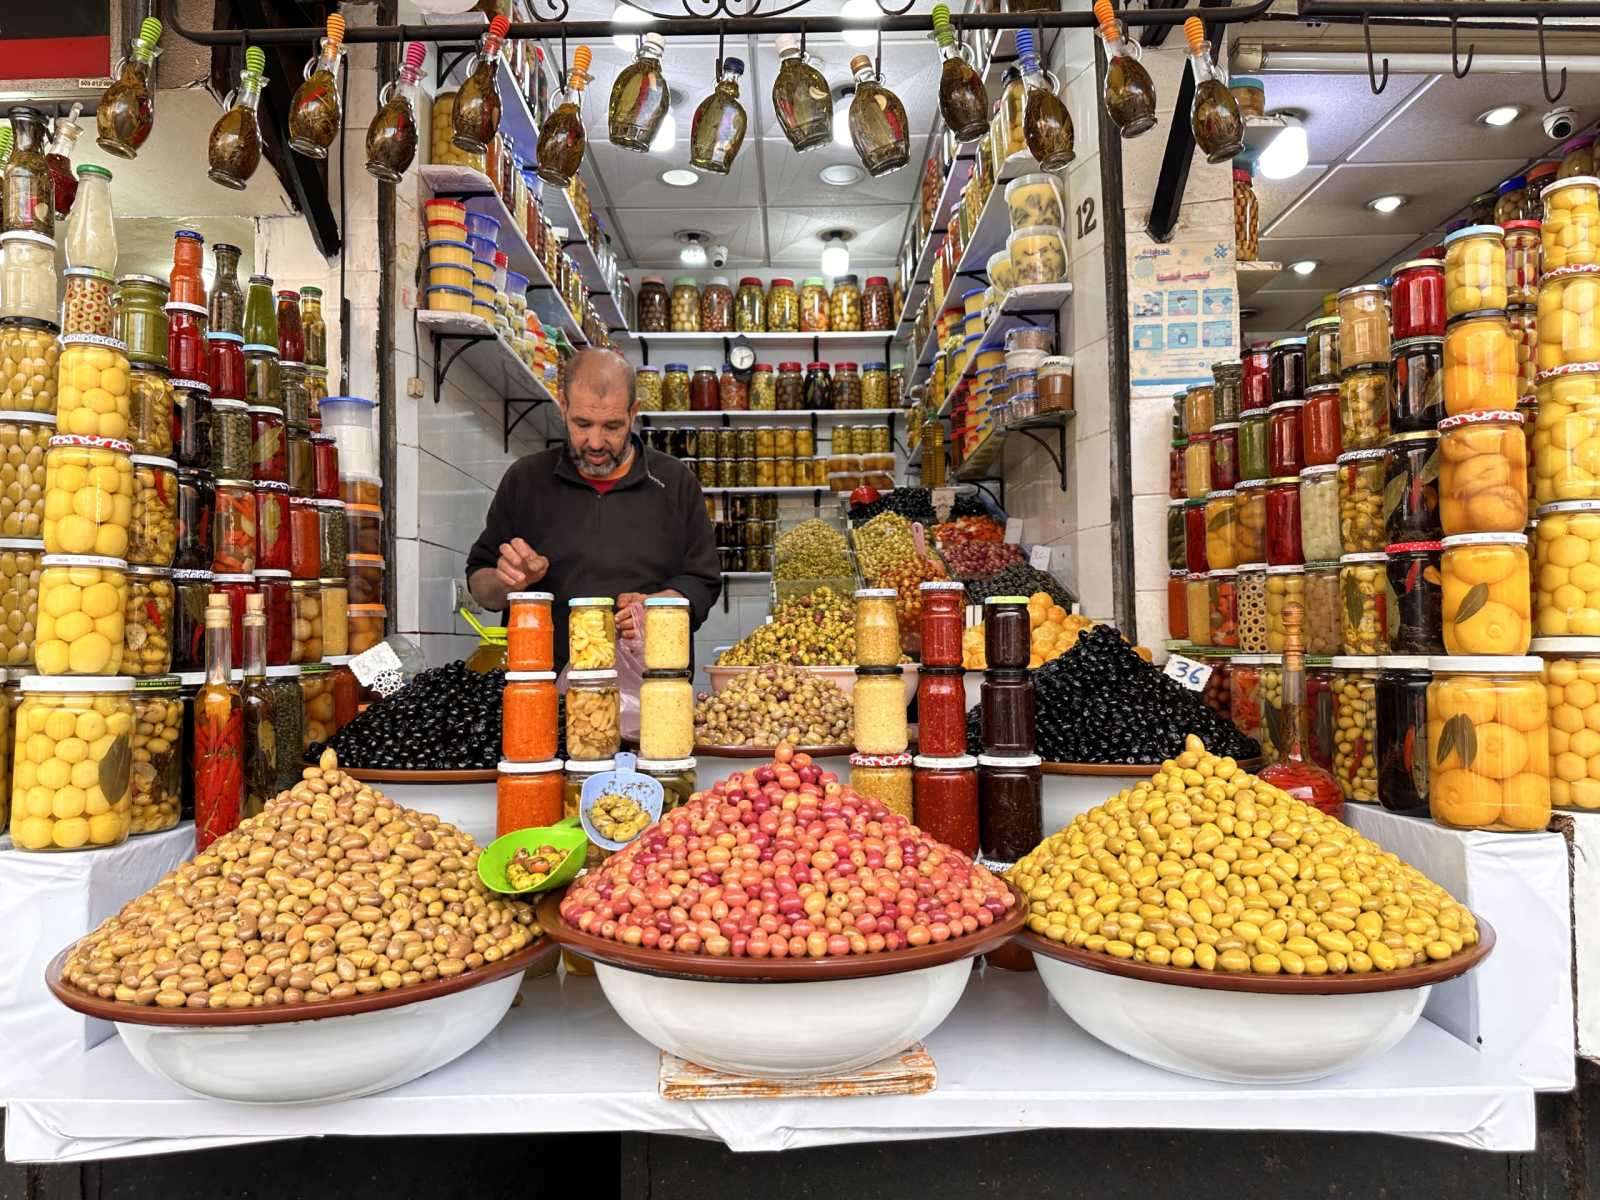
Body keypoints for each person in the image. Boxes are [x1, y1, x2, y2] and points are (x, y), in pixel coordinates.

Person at [466, 347, 721, 667]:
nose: (596, 442)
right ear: (563, 407)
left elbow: (704, 581)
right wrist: (509, 582)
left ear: (633, 413)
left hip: (651, 694)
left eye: (612, 426)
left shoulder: (675, 481)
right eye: (582, 424)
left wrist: (664, 605)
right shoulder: (525, 479)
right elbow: (480, 585)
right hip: (545, 694)